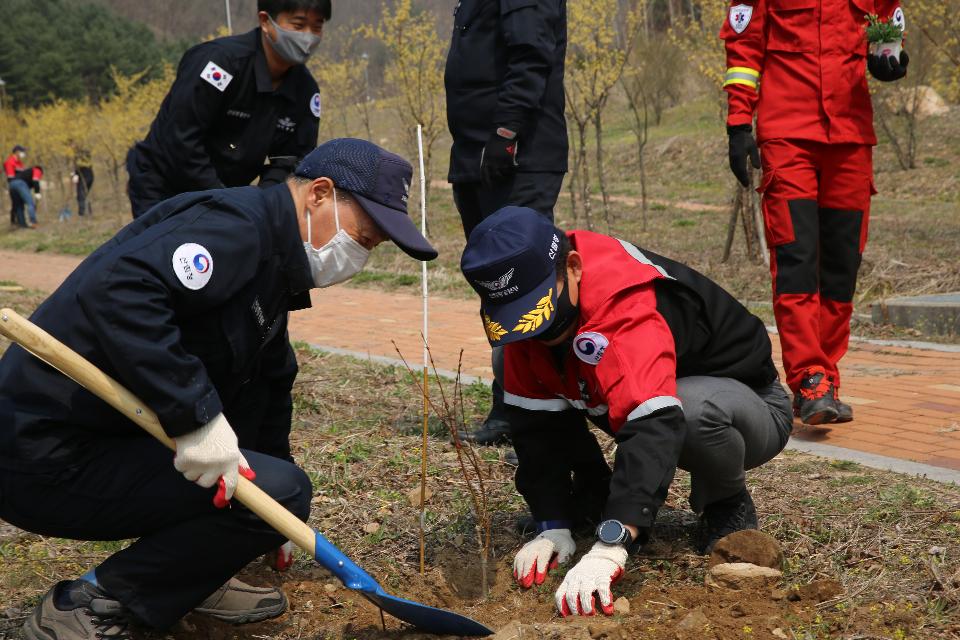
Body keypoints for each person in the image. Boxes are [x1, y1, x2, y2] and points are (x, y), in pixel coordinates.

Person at [1, 138, 437, 638]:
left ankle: (188, 578)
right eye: (364, 236)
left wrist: (269, 512)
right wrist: (197, 417)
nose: (361, 254)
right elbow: (123, 292)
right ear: (319, 194)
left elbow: (267, 387)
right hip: (41, 455)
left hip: (99, 443)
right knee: (278, 490)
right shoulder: (235, 227)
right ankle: (90, 603)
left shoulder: (272, 271)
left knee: (278, 489)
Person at [460, 207, 793, 617]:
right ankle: (592, 492)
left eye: (539, 309)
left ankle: (726, 502)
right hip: (642, 398)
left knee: (689, 411)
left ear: (574, 267)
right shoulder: (540, 301)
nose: (537, 332)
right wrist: (553, 521)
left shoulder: (625, 304)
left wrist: (612, 543)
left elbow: (653, 420)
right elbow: (535, 426)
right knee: (509, 359)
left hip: (746, 406)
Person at [721, 1, 909, 425]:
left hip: (851, 135)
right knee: (796, 260)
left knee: (842, 268)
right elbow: (744, 47)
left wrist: (891, 60)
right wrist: (738, 123)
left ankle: (826, 378)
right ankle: (809, 379)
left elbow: (889, 28)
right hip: (788, 133)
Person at [444, 0, 568, 446]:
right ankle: (509, 404)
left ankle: (544, 421)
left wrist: (506, 132)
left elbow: (531, 54)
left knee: (529, 285)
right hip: (474, 158)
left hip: (517, 156)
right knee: (495, 287)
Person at [126, 0, 330, 219]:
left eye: (316, 27)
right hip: (164, 184)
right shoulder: (220, 64)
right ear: (265, 21)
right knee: (166, 250)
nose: (308, 36)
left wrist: (262, 202)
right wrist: (222, 198)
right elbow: (180, 138)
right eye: (298, 26)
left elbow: (292, 160)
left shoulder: (305, 90)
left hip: (229, 195)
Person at [4, 145, 36, 228]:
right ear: (17, 152)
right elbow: (10, 176)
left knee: (20, 205)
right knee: (29, 203)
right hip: (16, 184)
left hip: (21, 184)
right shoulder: (9, 162)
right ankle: (33, 222)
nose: (24, 153)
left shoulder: (19, 162)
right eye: (22, 151)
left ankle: (23, 226)